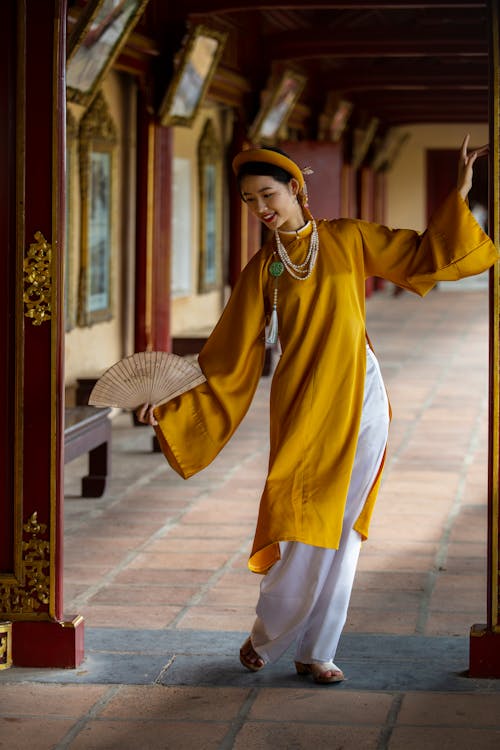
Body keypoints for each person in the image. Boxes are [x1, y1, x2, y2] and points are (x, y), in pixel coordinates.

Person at [137, 134, 498, 684]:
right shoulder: (264, 268)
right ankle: (270, 632)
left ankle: (318, 650)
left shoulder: (348, 238)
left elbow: (426, 254)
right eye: (249, 201)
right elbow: (229, 353)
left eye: (267, 195)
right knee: (301, 517)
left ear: (295, 189)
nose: (260, 209)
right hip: (302, 400)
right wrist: (174, 398)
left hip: (359, 395)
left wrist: (461, 193)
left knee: (345, 526)